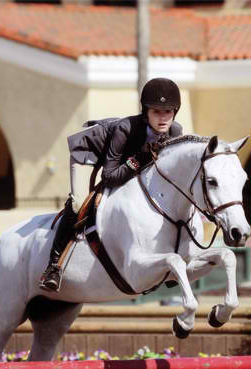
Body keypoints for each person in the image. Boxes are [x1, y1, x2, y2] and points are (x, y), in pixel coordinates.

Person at [39, 77, 183, 292]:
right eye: (156, 112)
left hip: (124, 163)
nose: (163, 118)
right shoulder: (125, 129)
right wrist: (139, 159)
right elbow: (109, 176)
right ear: (146, 112)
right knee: (78, 203)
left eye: (168, 112)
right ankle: (53, 266)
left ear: (175, 112)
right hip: (90, 154)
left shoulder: (175, 131)